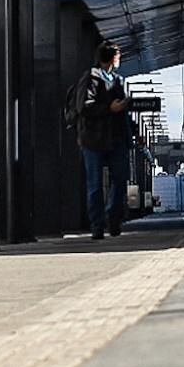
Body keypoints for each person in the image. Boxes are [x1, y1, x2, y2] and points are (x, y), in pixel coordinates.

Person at [77, 41, 130, 239]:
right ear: (112, 58)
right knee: (95, 184)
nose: (120, 59)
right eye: (118, 56)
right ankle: (97, 226)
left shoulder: (118, 80)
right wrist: (109, 108)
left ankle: (113, 217)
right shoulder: (91, 78)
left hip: (116, 137)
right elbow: (84, 106)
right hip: (93, 139)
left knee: (121, 178)